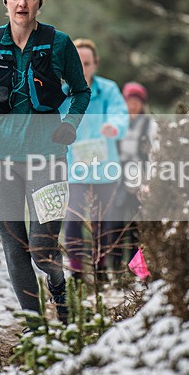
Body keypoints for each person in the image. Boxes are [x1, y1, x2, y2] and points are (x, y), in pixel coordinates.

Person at [0, 0, 90, 324]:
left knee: (41, 248)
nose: (23, 3)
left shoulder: (60, 43)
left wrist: (69, 124)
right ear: (5, 0)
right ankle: (34, 325)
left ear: (40, 2)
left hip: (48, 158)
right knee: (14, 247)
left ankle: (59, 288)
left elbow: (81, 91)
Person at [60, 39, 128, 285]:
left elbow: (120, 113)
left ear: (95, 64)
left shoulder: (108, 90)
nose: (83, 68)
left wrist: (114, 126)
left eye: (87, 63)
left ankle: (100, 268)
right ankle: (76, 271)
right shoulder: (63, 92)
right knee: (74, 217)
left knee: (102, 220)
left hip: (104, 168)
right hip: (73, 168)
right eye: (77, 63)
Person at [115, 81, 157, 264]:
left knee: (136, 227)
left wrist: (151, 181)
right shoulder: (117, 123)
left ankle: (137, 270)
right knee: (114, 226)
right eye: (129, 101)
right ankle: (113, 270)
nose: (133, 105)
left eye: (137, 102)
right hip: (116, 178)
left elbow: (156, 153)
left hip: (140, 179)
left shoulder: (149, 125)